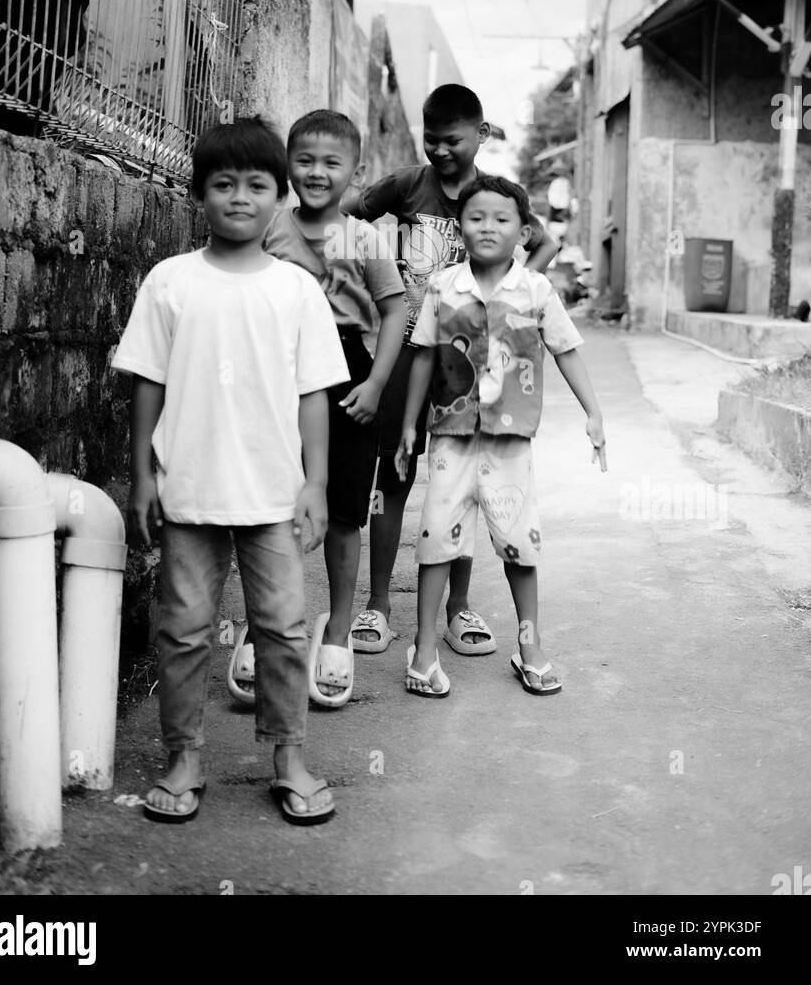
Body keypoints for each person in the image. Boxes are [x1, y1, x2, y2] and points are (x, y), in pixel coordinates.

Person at [112, 117, 350, 825]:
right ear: (199, 195)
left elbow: (314, 394)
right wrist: (142, 475)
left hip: (273, 496)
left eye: (255, 185)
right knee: (183, 629)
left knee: (281, 626)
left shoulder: (297, 290)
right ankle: (184, 756)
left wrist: (315, 484)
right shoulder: (170, 283)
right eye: (223, 184)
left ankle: (289, 756)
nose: (239, 197)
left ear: (279, 196)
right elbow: (146, 384)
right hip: (187, 491)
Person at [341, 84, 558, 656]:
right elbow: (347, 212)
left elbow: (546, 243)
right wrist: (359, 274)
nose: (439, 150)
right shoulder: (408, 185)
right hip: (405, 353)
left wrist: (513, 296)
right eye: (430, 138)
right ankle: (379, 604)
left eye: (452, 140)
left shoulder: (491, 196)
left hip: (467, 368)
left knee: (462, 485)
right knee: (391, 477)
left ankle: (458, 610)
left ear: (481, 135)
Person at [395, 174, 606, 698]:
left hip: (510, 442)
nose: (488, 227)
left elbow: (565, 350)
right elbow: (423, 354)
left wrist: (594, 412)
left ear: (524, 231)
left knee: (519, 543)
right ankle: (424, 651)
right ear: (460, 226)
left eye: (502, 219)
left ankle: (529, 646)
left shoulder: (535, 291)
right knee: (437, 537)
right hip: (450, 436)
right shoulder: (443, 286)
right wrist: (407, 426)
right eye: (476, 217)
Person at [261, 110, 406, 708]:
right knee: (272, 502)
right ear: (286, 165)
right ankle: (271, 627)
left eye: (332, 163)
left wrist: (374, 384)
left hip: (347, 373)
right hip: (277, 372)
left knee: (347, 507)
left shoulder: (365, 238)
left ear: (356, 171)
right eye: (304, 160)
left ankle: (340, 633)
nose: (316, 173)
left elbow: (395, 310)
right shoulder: (268, 227)